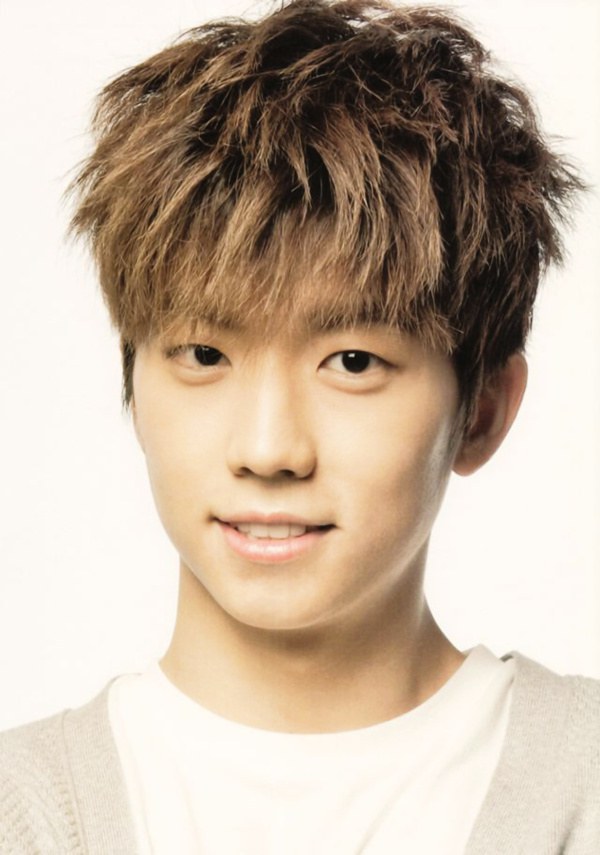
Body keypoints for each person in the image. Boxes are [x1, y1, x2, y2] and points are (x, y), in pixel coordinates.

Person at [1, 1, 598, 852]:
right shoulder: (24, 809)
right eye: (204, 354)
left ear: (484, 411)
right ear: (132, 383)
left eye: (352, 362)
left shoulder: (581, 788)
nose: (268, 449)